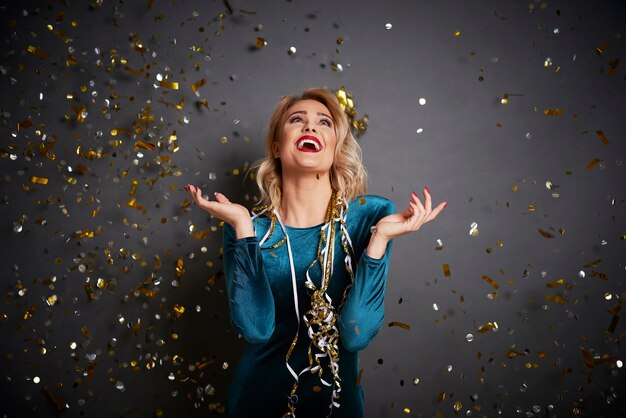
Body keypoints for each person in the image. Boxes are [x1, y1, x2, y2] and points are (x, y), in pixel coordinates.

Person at [184, 87, 446, 417]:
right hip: (257, 403)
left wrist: (378, 240)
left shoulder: (371, 216)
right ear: (277, 147)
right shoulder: (247, 227)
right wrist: (243, 228)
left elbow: (356, 334)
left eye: (324, 122)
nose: (311, 127)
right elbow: (255, 328)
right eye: (297, 120)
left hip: (338, 407)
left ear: (336, 147)